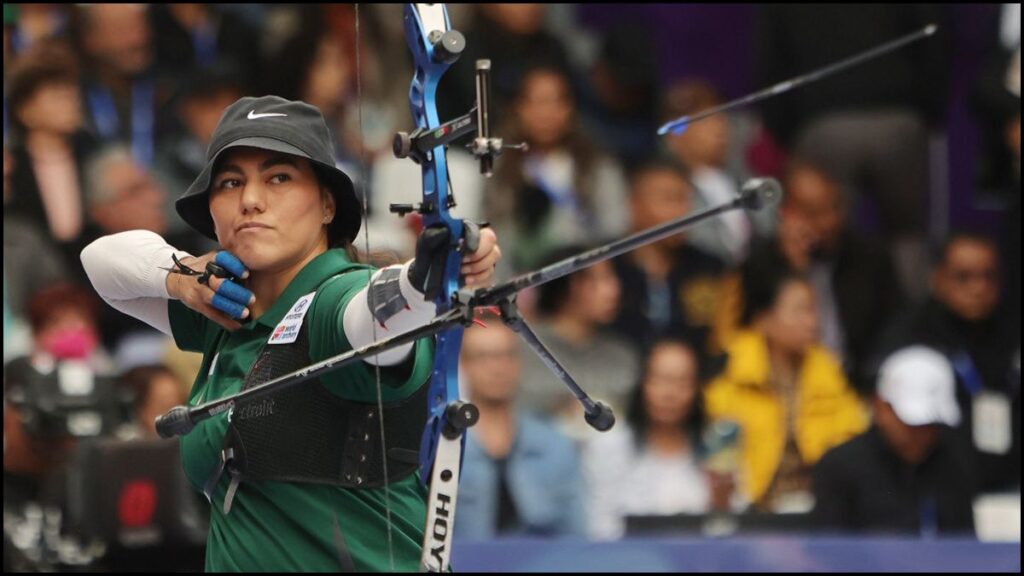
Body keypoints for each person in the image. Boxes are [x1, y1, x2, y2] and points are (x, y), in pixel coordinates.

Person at [80, 95, 502, 571]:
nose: (251, 199)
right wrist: (181, 279)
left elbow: (372, 315)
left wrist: (423, 277)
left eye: (279, 177)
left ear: (326, 204)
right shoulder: (227, 311)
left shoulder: (334, 300)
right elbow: (100, 262)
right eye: (231, 182)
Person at [714, 160, 905, 393]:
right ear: (787, 213)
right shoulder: (761, 262)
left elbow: (895, 326)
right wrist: (792, 267)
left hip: (858, 384)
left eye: (834, 208)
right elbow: (742, 333)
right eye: (814, 213)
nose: (829, 221)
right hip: (778, 387)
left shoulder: (869, 258)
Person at [705, 268, 868, 512]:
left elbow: (853, 439)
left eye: (813, 310)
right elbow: (720, 453)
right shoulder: (731, 377)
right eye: (799, 310)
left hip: (817, 512)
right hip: (752, 513)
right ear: (764, 319)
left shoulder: (830, 373)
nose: (811, 322)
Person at [875, 231, 1020, 492]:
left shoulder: (1012, 330)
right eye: (964, 277)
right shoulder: (910, 335)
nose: (978, 288)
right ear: (938, 278)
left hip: (1012, 479)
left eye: (989, 276)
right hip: (937, 483)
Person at [812, 346, 976, 535]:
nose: (923, 434)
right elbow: (830, 555)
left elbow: (966, 549)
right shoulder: (839, 467)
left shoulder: (954, 465)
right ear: (881, 407)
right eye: (912, 423)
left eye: (932, 424)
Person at [583, 337, 734, 540]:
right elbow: (598, 526)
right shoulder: (609, 446)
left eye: (682, 382)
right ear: (643, 382)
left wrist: (721, 502)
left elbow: (735, 531)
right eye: (661, 379)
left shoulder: (718, 446)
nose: (670, 393)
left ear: (697, 389)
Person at [454, 316, 586, 540]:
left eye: (506, 355)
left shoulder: (554, 444)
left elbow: (576, 534)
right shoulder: (443, 447)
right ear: (463, 365)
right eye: (483, 357)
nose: (497, 367)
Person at [518, 246, 640, 440]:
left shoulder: (623, 354)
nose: (615, 290)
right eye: (602, 279)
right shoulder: (522, 348)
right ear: (572, 285)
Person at [610, 159, 726, 359]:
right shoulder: (606, 267)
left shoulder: (711, 269)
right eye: (669, 200)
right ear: (634, 205)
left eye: (685, 200)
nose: (682, 212)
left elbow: (722, 341)